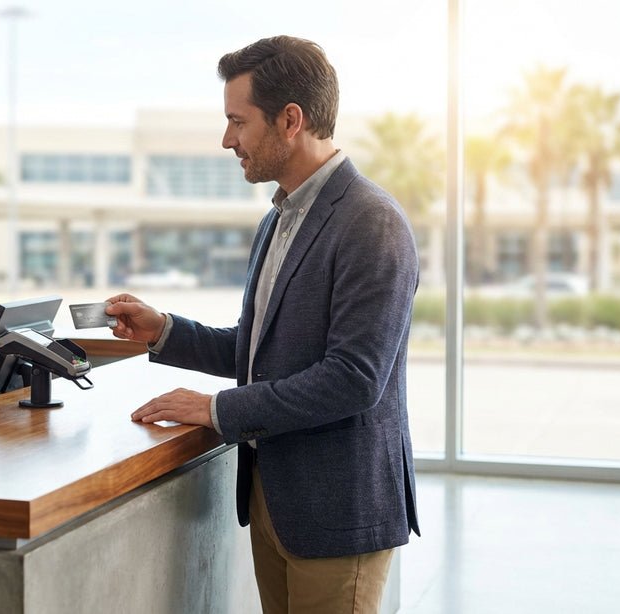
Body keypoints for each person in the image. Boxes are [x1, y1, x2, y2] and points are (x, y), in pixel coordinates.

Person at [106, 36, 420, 613]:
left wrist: (216, 410)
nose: (228, 140)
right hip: (276, 499)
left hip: (337, 512)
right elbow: (260, 352)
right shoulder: (279, 217)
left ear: (290, 120)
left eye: (237, 121)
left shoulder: (371, 223)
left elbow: (354, 379)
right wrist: (163, 329)